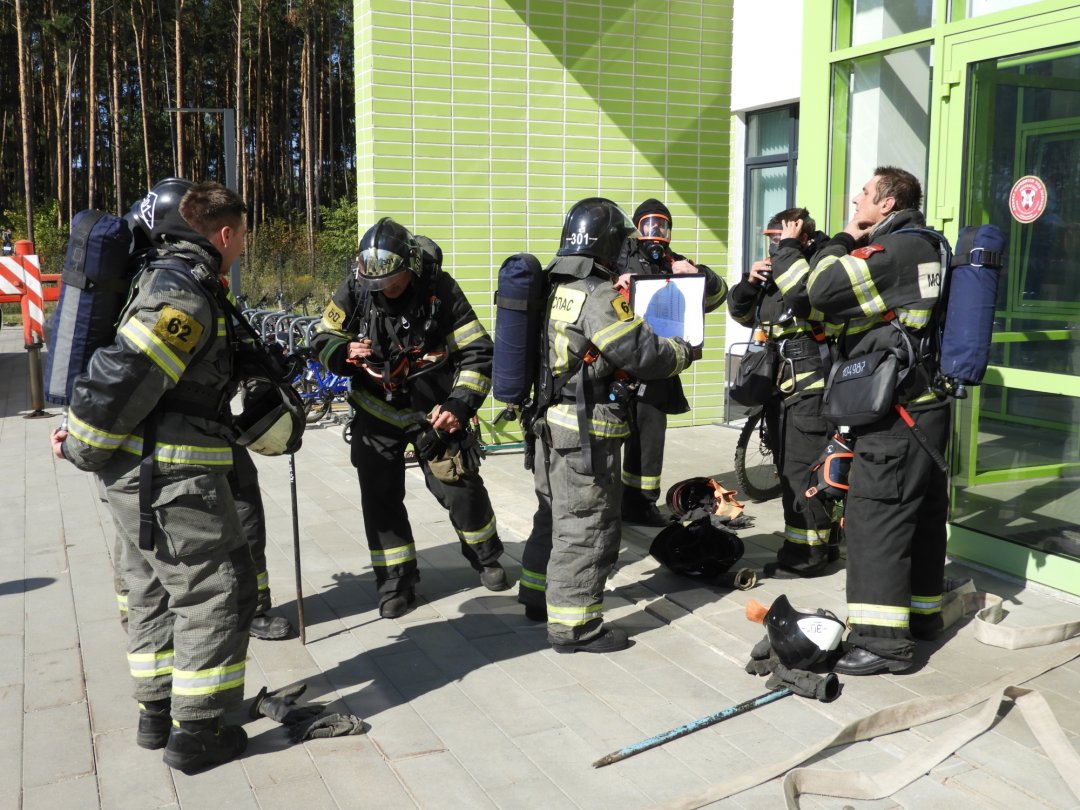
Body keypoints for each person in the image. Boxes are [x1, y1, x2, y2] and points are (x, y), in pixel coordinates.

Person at [51, 181, 255, 771]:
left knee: (147, 585)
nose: (242, 244)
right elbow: (128, 372)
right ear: (222, 234)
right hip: (170, 476)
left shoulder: (159, 276)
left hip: (139, 475)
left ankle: (156, 711)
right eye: (241, 234)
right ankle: (201, 732)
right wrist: (81, 444)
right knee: (214, 588)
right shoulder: (182, 296)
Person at [516, 198, 695, 653]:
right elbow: (643, 354)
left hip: (548, 423)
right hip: (585, 431)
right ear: (609, 242)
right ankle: (575, 627)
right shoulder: (598, 295)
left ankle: (537, 596)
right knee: (586, 525)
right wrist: (683, 351)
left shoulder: (553, 283)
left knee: (551, 514)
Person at [310, 217, 509, 619]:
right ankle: (396, 584)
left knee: (459, 487)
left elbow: (478, 351)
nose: (384, 290)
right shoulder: (357, 285)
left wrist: (459, 406)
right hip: (374, 410)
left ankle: (486, 558)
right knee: (380, 499)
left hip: (432, 412)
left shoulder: (441, 290)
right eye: (375, 284)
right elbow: (322, 336)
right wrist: (343, 353)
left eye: (393, 283)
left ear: (412, 267)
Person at [804, 166, 950, 675]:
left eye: (864, 194)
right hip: (925, 406)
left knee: (876, 518)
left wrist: (843, 239)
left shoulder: (898, 249)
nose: (855, 199)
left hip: (898, 414)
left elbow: (821, 289)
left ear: (887, 204)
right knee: (923, 515)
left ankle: (883, 643)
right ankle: (924, 615)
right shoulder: (929, 245)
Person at [728, 207, 840, 577]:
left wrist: (787, 256)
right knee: (786, 467)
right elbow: (744, 314)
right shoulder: (781, 268)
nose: (773, 245)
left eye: (780, 238)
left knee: (802, 471)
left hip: (810, 388)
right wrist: (750, 283)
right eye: (772, 239)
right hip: (779, 385)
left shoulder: (822, 262)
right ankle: (816, 544)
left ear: (799, 236)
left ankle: (808, 555)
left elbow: (807, 303)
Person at [616, 199, 728, 526]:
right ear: (636, 227)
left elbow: (718, 294)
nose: (655, 233)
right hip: (618, 363)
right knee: (607, 438)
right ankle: (607, 503)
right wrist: (616, 283)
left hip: (658, 366)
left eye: (662, 226)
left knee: (650, 439)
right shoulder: (616, 259)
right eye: (649, 225)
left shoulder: (673, 262)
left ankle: (640, 504)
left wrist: (698, 274)